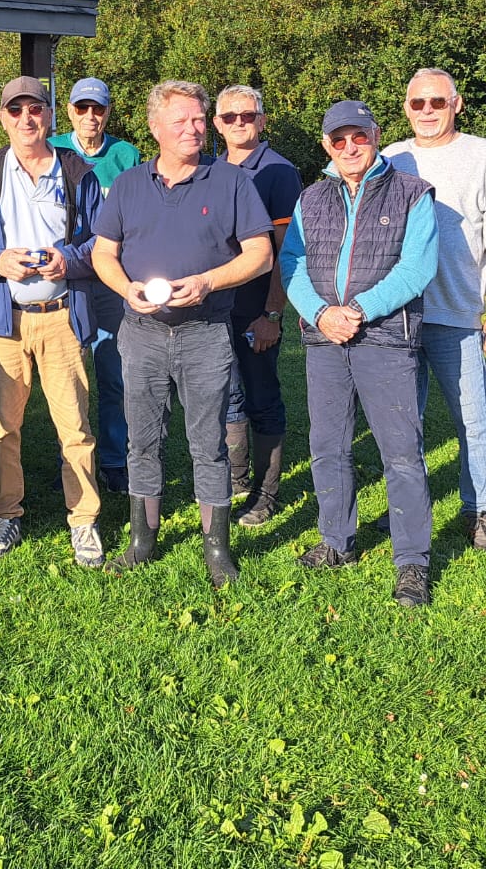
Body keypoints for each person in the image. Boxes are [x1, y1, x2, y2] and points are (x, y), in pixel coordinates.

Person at [91, 79, 274, 588]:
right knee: (142, 441)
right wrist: (126, 288)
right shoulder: (128, 185)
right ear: (155, 128)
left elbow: (261, 254)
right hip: (141, 332)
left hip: (206, 331)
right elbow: (103, 252)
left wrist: (208, 282)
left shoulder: (230, 181)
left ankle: (217, 547)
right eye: (181, 121)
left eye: (198, 119)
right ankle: (141, 540)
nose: (194, 129)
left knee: (208, 443)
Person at [280, 100, 439, 607]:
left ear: (375, 135)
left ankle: (412, 561)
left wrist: (358, 310)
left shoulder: (413, 193)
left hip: (386, 338)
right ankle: (336, 541)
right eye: (339, 139)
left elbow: (417, 268)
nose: (350, 147)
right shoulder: (310, 198)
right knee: (328, 446)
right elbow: (291, 263)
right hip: (324, 339)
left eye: (359, 136)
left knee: (402, 454)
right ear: (327, 145)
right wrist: (320, 314)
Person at [0, 76, 106, 568]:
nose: (26, 118)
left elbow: (103, 242)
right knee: (1, 428)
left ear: (49, 114)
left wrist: (68, 261)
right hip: (1, 321)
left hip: (60, 316)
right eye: (15, 110)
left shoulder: (77, 172)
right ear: (3, 118)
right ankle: (6, 513)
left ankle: (84, 519)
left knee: (74, 427)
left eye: (34, 108)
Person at [383, 68, 486, 553]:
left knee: (472, 419)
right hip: (396, 317)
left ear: (456, 104)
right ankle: (408, 506)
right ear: (406, 107)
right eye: (417, 103)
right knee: (402, 422)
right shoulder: (391, 158)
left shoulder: (484, 156)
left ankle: (480, 510)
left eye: (437, 102)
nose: (427, 111)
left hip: (456, 314)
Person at [212, 85, 303, 527]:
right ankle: (237, 481)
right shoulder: (210, 170)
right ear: (217, 124)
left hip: (255, 309)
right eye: (229, 117)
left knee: (262, 397)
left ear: (262, 121)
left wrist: (272, 314)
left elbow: (287, 252)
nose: (239, 123)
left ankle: (266, 495)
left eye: (247, 116)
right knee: (227, 396)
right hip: (214, 309)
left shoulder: (278, 172)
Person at [48, 76, 143, 492]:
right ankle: (71, 462)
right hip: (66, 278)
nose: (90, 116)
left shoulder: (126, 155)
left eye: (98, 108)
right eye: (82, 108)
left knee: (113, 373)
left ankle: (114, 459)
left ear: (107, 112)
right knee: (67, 379)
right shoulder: (52, 149)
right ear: (70, 111)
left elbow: (136, 215)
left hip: (109, 279)